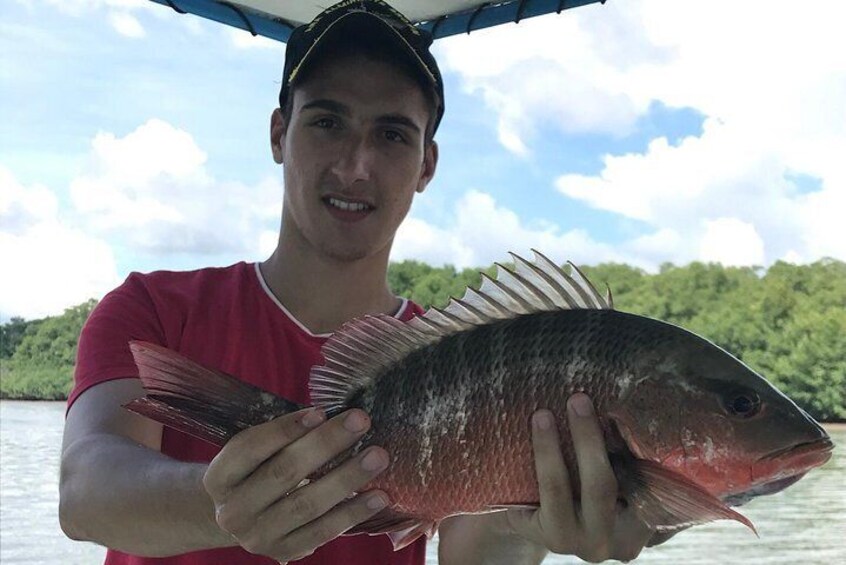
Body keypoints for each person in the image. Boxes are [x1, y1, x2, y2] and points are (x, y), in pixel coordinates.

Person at [59, 1, 657, 563]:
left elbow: (474, 549)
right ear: (278, 134)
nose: (356, 166)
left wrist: (534, 526)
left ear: (427, 164)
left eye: (393, 134)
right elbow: (86, 488)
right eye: (327, 123)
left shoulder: (459, 359)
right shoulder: (152, 309)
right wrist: (220, 501)